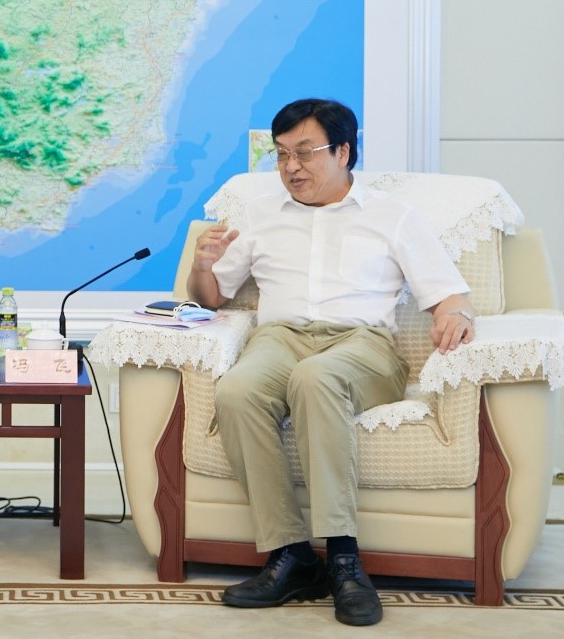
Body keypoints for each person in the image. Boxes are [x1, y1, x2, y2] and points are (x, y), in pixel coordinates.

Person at [186, 98, 475, 628]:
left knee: (315, 378)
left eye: (304, 152)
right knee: (237, 390)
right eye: (281, 155)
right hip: (279, 338)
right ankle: (292, 556)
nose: (290, 167)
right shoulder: (259, 216)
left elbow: (447, 292)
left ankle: (344, 558)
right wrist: (201, 266)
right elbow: (210, 299)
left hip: (363, 346)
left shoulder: (392, 216)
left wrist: (455, 315)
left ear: (343, 151)